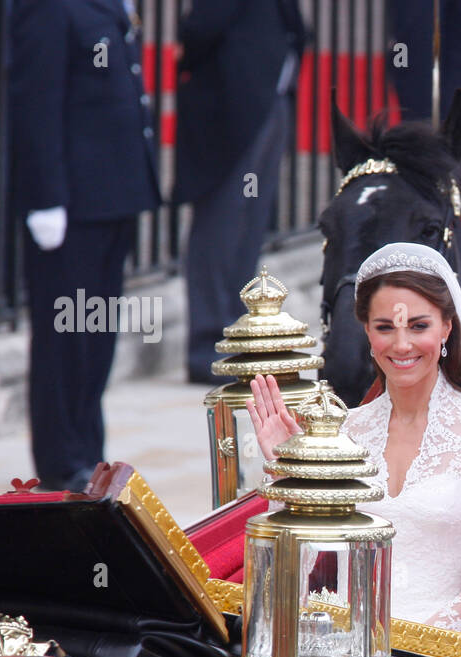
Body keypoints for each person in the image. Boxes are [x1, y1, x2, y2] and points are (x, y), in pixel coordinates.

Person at [248, 244, 461, 638]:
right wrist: (291, 476)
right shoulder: (343, 433)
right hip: (345, 641)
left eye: (418, 325)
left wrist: (420, 643)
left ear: (447, 326)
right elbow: (303, 563)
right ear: (367, 332)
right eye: (385, 327)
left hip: (451, 646)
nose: (402, 345)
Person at [9, 0, 161, 491]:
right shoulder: (51, 9)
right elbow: (37, 101)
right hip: (71, 204)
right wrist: (46, 198)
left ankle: (87, 453)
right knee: (63, 340)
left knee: (95, 337)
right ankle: (60, 462)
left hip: (112, 198)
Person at [172, 0, 307, 384]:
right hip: (233, 109)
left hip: (269, 100)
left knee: (248, 227)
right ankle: (208, 345)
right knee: (221, 224)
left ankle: (236, 333)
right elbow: (200, 29)